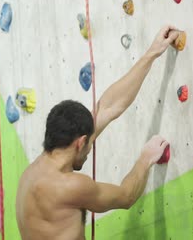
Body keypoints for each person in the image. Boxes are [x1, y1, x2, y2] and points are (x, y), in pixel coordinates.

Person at [15, 25, 181, 240]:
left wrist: (152, 53)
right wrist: (145, 159)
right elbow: (126, 196)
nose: (89, 150)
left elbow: (107, 108)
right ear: (80, 142)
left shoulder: (32, 174)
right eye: (89, 145)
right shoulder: (71, 186)